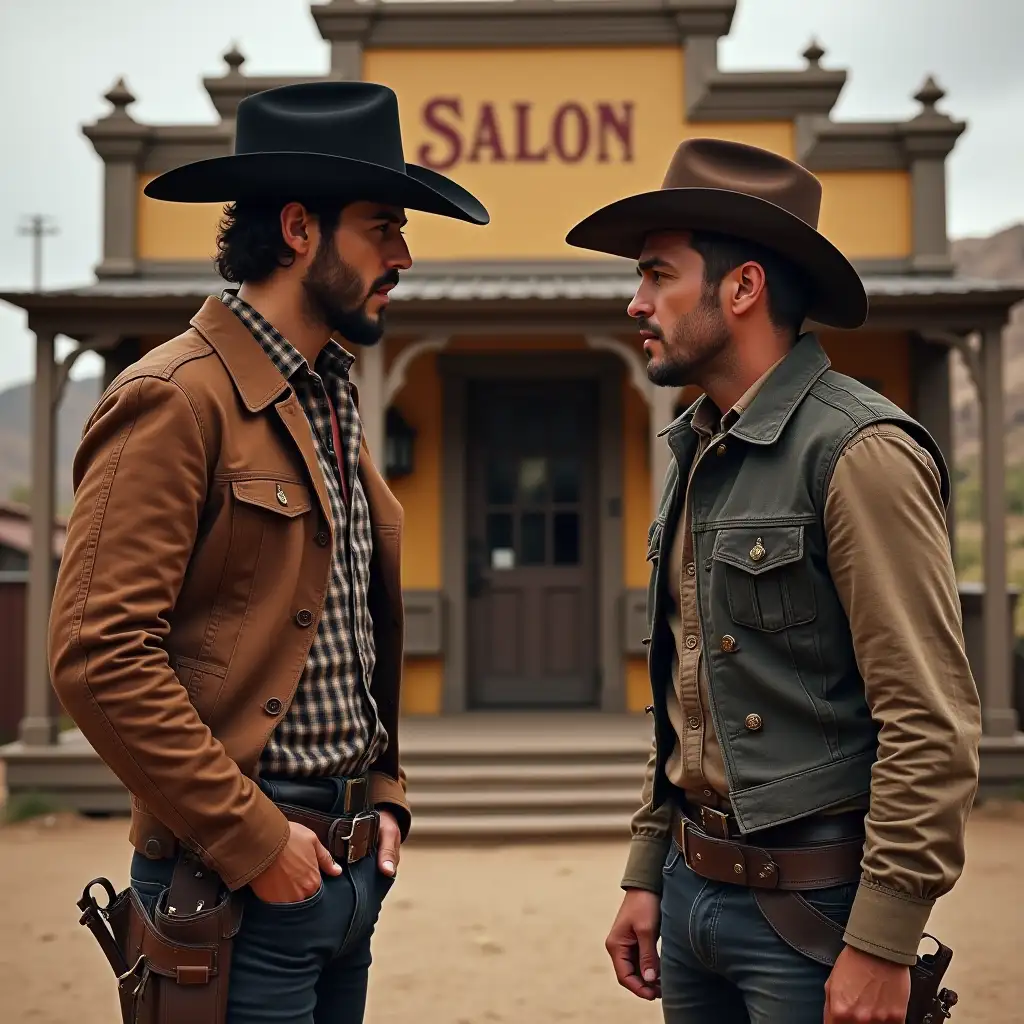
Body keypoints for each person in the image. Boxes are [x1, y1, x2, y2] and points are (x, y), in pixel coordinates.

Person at [48, 81, 488, 1023]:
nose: (403, 256)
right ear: (299, 229)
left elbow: (347, 629)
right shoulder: (174, 398)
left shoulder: (332, 396)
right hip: (228, 882)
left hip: (341, 871)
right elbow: (96, 655)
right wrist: (255, 839)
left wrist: (387, 794)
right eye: (384, 226)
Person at [565, 138, 981, 1024]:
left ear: (743, 288)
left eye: (657, 275)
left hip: (815, 914)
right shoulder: (692, 452)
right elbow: (684, 694)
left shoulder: (859, 451)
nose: (635, 301)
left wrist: (882, 938)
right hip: (690, 896)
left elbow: (930, 721)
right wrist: (650, 871)